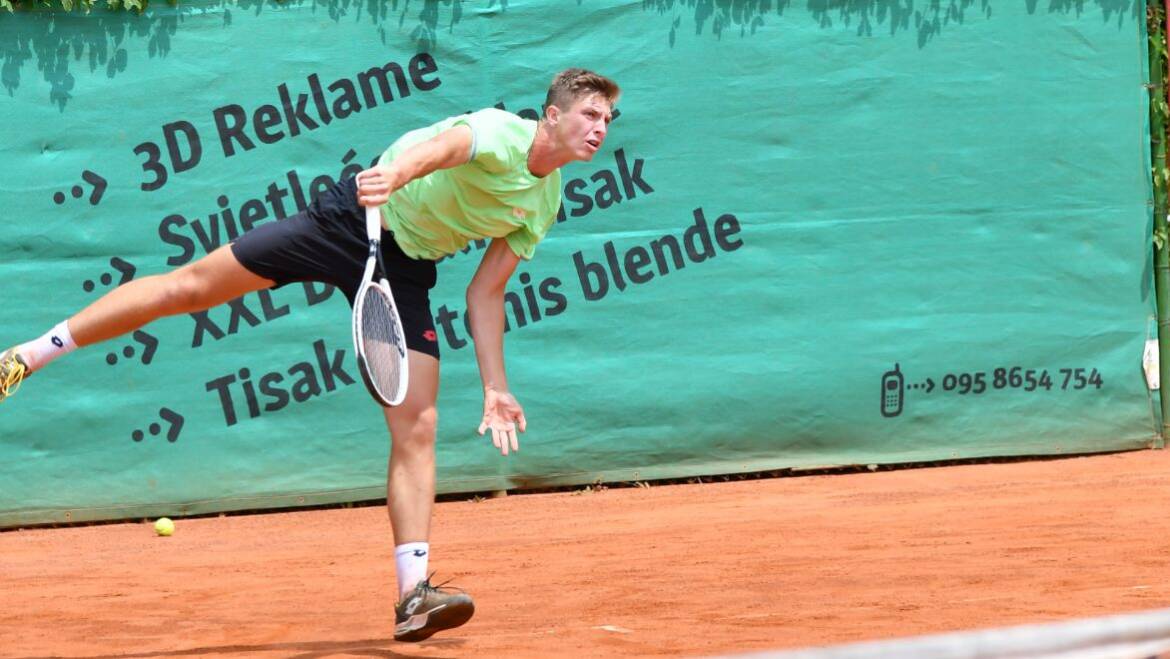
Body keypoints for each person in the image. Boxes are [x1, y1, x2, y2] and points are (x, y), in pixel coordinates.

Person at [0, 68, 620, 642]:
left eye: (608, 120)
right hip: (349, 222)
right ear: (550, 116)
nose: (599, 128)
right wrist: (394, 177)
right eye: (590, 114)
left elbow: (486, 293)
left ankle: (413, 597)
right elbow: (443, 149)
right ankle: (26, 357)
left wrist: (495, 384)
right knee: (188, 289)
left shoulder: (544, 201)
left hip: (406, 269)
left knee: (419, 423)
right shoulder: (496, 131)